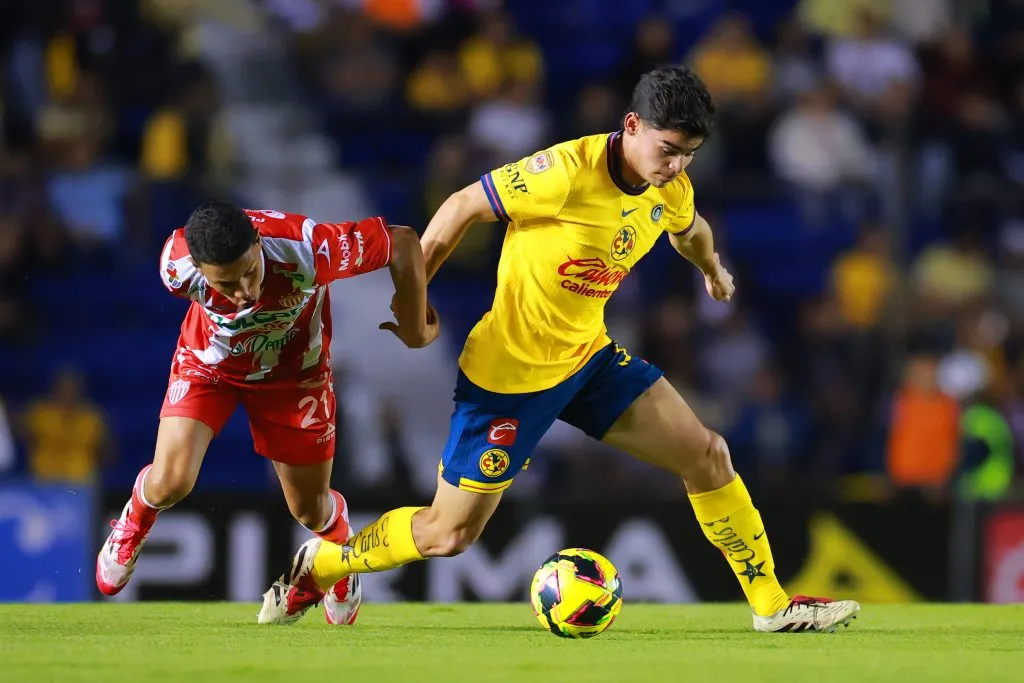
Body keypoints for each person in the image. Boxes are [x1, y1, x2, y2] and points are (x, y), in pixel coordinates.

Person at [259, 67, 860, 632]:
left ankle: (772, 606)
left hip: (587, 360)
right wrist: (412, 305)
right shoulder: (565, 172)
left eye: (688, 155)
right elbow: (461, 206)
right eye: (667, 150)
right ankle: (326, 565)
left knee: (708, 455)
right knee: (449, 534)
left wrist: (713, 269)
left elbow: (690, 227)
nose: (676, 166)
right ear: (631, 126)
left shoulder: (669, 185)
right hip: (508, 377)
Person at [95, 201, 438, 627]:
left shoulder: (309, 249)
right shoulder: (175, 267)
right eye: (226, 284)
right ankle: (133, 521)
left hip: (294, 377)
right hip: (210, 366)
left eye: (250, 272)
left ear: (258, 244)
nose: (244, 292)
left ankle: (338, 558)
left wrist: (414, 319)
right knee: (172, 482)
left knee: (310, 510)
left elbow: (402, 241)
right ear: (200, 271)